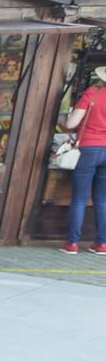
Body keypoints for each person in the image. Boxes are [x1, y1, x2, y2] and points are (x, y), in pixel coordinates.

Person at [62, 66, 106, 254]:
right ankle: (102, 243)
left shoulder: (93, 93)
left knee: (79, 198)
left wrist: (62, 124)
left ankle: (72, 244)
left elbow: (72, 123)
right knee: (103, 199)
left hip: (88, 149)